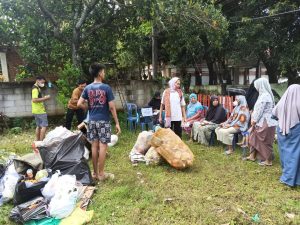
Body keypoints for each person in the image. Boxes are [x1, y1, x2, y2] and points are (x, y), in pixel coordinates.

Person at [77, 63, 121, 181]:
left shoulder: (87, 88)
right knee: (103, 147)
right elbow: (112, 107)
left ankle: (95, 174)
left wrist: (88, 107)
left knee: (94, 146)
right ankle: (101, 174)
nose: (104, 73)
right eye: (104, 71)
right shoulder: (106, 88)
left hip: (91, 121)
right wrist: (117, 122)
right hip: (103, 121)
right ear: (100, 73)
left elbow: (79, 103)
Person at [273, 84, 300, 186]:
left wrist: (283, 121)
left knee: (284, 153)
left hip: (281, 130)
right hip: (296, 130)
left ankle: (286, 176)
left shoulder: (281, 102)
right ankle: (291, 180)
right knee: (294, 155)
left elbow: (273, 114)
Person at [246, 78, 277, 166]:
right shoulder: (265, 95)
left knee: (265, 141)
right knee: (253, 136)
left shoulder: (264, 96)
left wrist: (254, 120)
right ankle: (252, 155)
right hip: (265, 121)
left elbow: (259, 111)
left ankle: (268, 160)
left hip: (265, 122)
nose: (255, 87)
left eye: (256, 85)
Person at [32, 76, 50, 141]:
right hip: (40, 111)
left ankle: (37, 141)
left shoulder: (37, 88)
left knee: (39, 126)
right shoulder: (35, 89)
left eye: (44, 82)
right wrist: (45, 98)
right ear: (37, 80)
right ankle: (42, 142)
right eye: (42, 82)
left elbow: (37, 98)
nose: (43, 83)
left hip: (36, 110)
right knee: (44, 126)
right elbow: (34, 100)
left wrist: (43, 98)